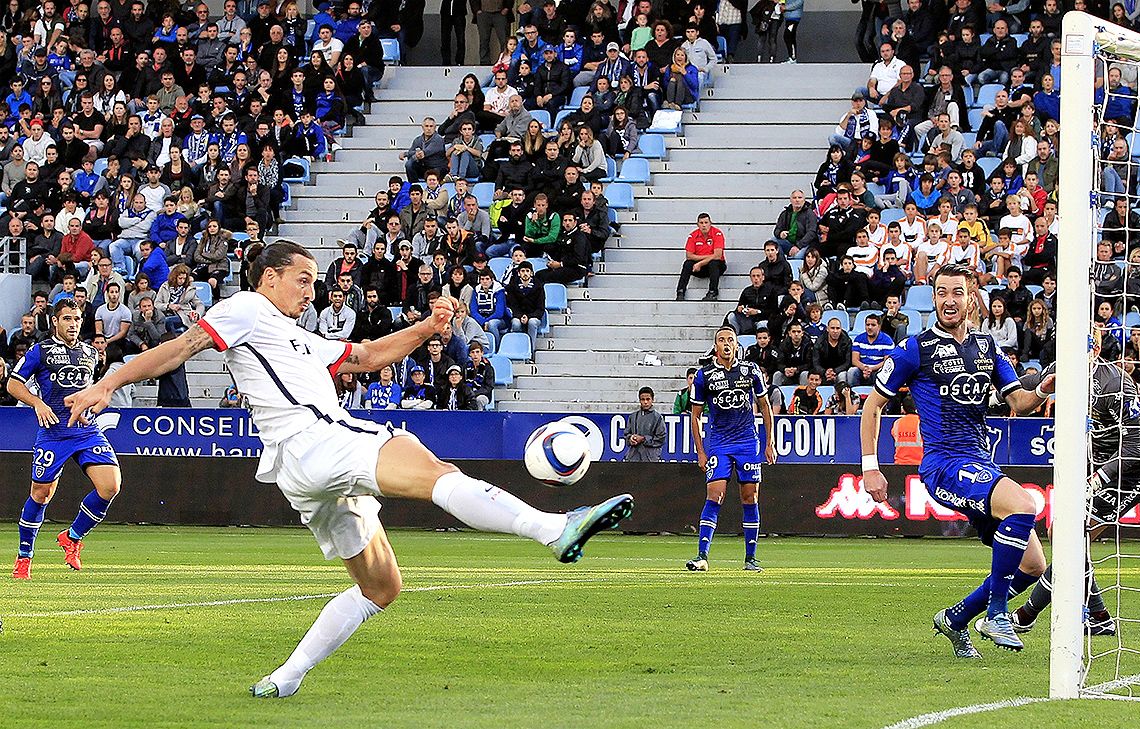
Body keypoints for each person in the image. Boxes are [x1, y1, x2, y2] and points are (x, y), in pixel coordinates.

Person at [65, 241, 634, 698]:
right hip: (316, 438)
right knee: (433, 469)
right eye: (303, 278)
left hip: (300, 470)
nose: (312, 288)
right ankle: (553, 528)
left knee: (382, 586)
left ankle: (285, 676)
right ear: (268, 278)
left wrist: (426, 328)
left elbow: (365, 357)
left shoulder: (297, 335)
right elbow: (182, 347)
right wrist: (109, 383)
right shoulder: (245, 308)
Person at [859, 264, 1054, 657]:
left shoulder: (987, 348)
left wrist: (1044, 389)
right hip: (944, 464)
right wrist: (870, 466)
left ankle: (956, 618)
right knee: (1024, 504)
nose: (949, 300)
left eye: (957, 292)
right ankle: (997, 613)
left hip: (982, 463)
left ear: (971, 297)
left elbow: (1018, 402)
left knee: (1033, 565)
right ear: (933, 298)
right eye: (942, 292)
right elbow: (873, 405)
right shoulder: (915, 349)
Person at [1013, 335, 1140, 637]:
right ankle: (1100, 615)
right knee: (1062, 534)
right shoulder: (1059, 370)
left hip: (1131, 470)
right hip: (1094, 466)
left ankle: (1027, 614)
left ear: (1095, 349)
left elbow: (1134, 446)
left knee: (1070, 538)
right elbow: (1024, 389)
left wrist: (1098, 478)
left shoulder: (1115, 384)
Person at [10, 300, 121, 579]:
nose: (73, 324)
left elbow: (89, 389)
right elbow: (12, 384)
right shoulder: (40, 351)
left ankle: (72, 537)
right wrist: (37, 402)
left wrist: (89, 406)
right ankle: (24, 557)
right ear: (55, 322)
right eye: (67, 319)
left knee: (110, 486)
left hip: (86, 431)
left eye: (77, 318)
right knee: (41, 494)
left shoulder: (90, 353)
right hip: (54, 434)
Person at [686, 327, 776, 573]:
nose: (726, 344)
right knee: (715, 494)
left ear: (737, 345)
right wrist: (701, 451)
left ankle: (751, 559)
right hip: (719, 443)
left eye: (730, 340)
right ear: (716, 346)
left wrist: (769, 443)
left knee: (750, 497)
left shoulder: (750, 371)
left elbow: (765, 407)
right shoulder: (704, 376)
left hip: (747, 442)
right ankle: (702, 556)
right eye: (721, 340)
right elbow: (694, 417)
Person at [625, 386, 667, 462]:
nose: (645, 402)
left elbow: (661, 438)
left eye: (648, 399)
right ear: (639, 400)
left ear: (652, 400)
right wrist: (631, 438)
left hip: (650, 458)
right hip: (634, 457)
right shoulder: (633, 416)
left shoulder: (657, 418)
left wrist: (643, 439)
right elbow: (626, 434)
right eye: (643, 399)